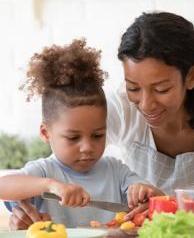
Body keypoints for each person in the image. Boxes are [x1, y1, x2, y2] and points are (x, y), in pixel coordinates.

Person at [9, 12, 194, 229]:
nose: (145, 104)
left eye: (162, 89)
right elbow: (68, 152)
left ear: (192, 77)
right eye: (133, 87)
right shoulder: (118, 107)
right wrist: (24, 206)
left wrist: (161, 206)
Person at [0, 39, 163, 228]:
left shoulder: (116, 171)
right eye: (73, 138)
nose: (87, 147)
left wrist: (146, 191)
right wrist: (51, 186)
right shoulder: (44, 172)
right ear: (46, 133)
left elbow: (157, 197)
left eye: (97, 135)